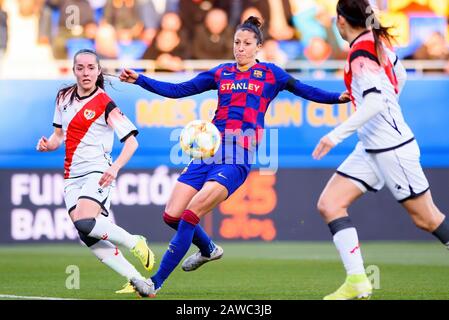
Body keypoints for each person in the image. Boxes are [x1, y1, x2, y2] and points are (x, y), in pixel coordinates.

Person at [121, 16, 350, 297]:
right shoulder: (221, 73)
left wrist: (338, 97)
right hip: (208, 152)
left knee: (191, 214)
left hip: (237, 155)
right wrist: (140, 79)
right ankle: (208, 249)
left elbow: (306, 89)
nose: (240, 48)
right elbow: (179, 90)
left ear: (258, 47)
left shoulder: (271, 74)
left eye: (246, 43)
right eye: (237, 43)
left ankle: (154, 283)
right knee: (172, 216)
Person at [312, 0, 449, 300]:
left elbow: (374, 102)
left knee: (428, 219)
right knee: (330, 204)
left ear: (340, 21)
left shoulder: (361, 52)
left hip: (392, 148)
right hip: (372, 145)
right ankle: (358, 281)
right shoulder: (376, 42)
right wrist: (387, 103)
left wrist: (334, 136)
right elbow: (400, 77)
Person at [36, 49, 155, 294]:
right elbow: (59, 136)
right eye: (80, 67)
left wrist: (115, 167)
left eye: (91, 67)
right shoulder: (63, 97)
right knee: (86, 233)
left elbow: (132, 141)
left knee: (85, 221)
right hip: (71, 175)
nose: (85, 72)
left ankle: (135, 241)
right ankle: (137, 280)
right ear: (73, 70)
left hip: (98, 171)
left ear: (98, 70)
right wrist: (48, 145)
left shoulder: (104, 103)